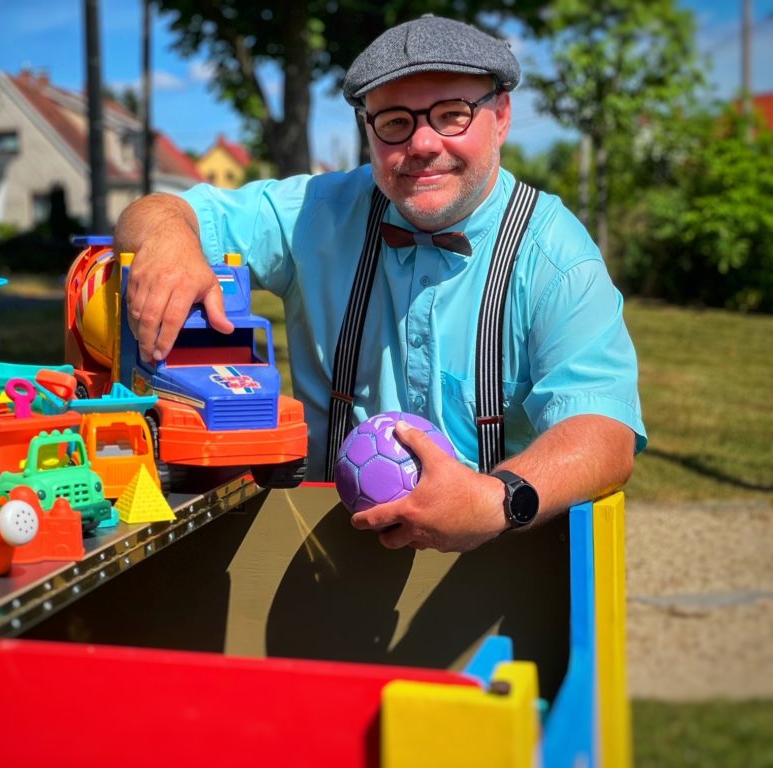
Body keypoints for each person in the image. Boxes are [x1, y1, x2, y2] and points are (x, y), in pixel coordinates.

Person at [113, 14, 647, 553]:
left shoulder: (556, 256)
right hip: (321, 543)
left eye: (451, 115)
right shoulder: (313, 214)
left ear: (501, 115)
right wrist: (166, 239)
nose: (421, 143)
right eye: (394, 121)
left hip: (498, 554)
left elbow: (603, 431)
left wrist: (494, 499)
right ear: (368, 130)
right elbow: (156, 210)